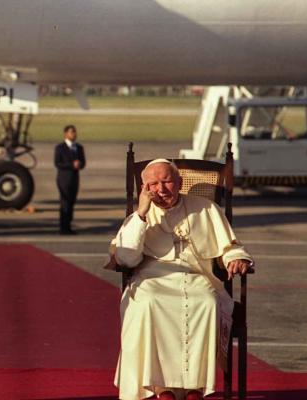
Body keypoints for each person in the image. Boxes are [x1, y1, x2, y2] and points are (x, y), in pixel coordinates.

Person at [106, 159, 253, 400]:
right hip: (152, 277)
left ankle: (194, 388)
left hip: (198, 276)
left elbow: (231, 246)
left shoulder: (206, 209)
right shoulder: (140, 215)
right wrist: (142, 213)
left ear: (180, 183)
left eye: (167, 181)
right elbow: (126, 259)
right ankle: (160, 388)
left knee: (206, 302)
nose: (161, 189)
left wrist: (236, 259)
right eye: (153, 184)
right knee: (147, 303)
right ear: (144, 188)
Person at [54, 124, 85, 234]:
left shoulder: (79, 148)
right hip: (63, 179)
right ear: (66, 134)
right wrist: (72, 165)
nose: (74, 134)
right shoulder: (60, 148)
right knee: (65, 203)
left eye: (75, 131)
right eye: (72, 132)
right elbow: (57, 163)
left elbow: (83, 163)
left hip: (74, 179)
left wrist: (79, 164)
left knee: (71, 203)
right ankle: (63, 227)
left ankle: (68, 226)